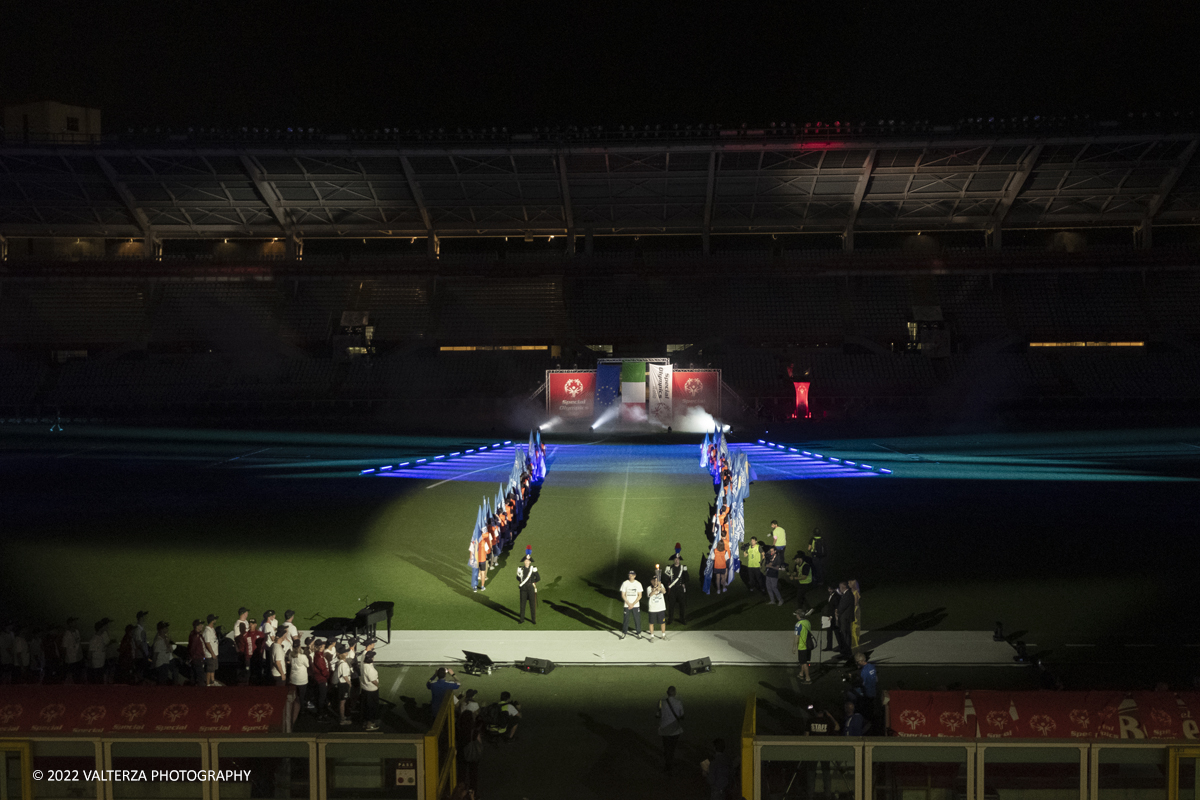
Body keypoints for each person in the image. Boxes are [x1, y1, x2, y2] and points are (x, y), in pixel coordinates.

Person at [657, 686, 684, 773]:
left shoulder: (661, 702)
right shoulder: (678, 702)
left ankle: (668, 765)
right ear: (675, 693)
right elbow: (682, 716)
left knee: (666, 748)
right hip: (675, 730)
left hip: (665, 730)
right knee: (672, 748)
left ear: (667, 693)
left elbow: (657, 715)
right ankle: (670, 764)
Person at [288, 639, 310, 727]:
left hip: (293, 678)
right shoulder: (303, 656)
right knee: (301, 696)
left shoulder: (290, 654)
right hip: (302, 679)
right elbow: (308, 665)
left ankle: (293, 711)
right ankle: (301, 711)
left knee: (294, 696)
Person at [618, 570, 644, 640]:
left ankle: (639, 633)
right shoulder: (625, 583)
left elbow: (640, 595)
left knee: (637, 619)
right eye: (629, 575)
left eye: (632, 575)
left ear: (634, 576)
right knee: (626, 619)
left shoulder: (638, 584)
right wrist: (628, 603)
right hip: (627, 605)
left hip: (635, 605)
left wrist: (633, 603)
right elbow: (623, 595)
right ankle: (624, 633)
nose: (630, 576)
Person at [663, 555, 689, 625]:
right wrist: (666, 574)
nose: (677, 560)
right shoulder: (670, 568)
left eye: (678, 559)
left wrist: (685, 572)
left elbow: (687, 579)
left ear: (679, 560)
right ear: (673, 560)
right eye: (675, 559)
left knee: (682, 605)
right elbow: (665, 579)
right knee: (671, 605)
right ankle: (670, 619)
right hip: (672, 589)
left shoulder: (682, 568)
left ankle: (682, 619)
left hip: (680, 589)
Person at [515, 554, 539, 624]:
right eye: (525, 561)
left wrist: (532, 582)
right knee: (522, 605)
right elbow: (517, 577)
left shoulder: (533, 568)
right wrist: (521, 581)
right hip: (523, 589)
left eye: (528, 561)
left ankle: (533, 620)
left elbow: (538, 578)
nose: (526, 562)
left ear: (530, 562)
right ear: (524, 562)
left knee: (532, 604)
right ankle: (521, 619)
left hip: (530, 588)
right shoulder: (520, 568)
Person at [854, 652, 878, 722]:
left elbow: (863, 683)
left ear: (861, 661)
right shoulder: (871, 666)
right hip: (873, 691)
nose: (856, 663)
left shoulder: (863, 671)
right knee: (871, 707)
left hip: (867, 694)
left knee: (865, 709)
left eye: (857, 662)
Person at [360, 651, 380, 730]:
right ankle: (370, 724)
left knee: (365, 706)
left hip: (365, 689)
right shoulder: (369, 669)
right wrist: (377, 685)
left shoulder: (364, 665)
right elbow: (373, 680)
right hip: (371, 690)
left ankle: (365, 722)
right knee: (371, 707)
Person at [311, 639, 331, 718]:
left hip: (321, 678)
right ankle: (320, 714)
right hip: (321, 679)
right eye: (322, 645)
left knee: (321, 696)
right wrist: (327, 675)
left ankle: (321, 712)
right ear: (320, 646)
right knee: (322, 697)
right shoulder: (319, 657)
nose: (324, 646)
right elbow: (323, 670)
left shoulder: (319, 655)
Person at [87, 618, 112, 684]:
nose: (105, 627)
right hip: (97, 665)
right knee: (98, 682)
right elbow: (90, 654)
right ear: (100, 628)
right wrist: (90, 665)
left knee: (100, 680)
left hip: (100, 664)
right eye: (103, 626)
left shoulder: (100, 637)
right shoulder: (94, 639)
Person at [333, 646, 353, 725]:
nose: (347, 653)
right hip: (343, 684)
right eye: (345, 652)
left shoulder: (339, 662)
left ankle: (342, 717)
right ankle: (342, 719)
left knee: (342, 701)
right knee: (342, 702)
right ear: (343, 654)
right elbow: (345, 676)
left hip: (341, 684)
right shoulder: (343, 664)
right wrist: (350, 683)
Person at [835, 582, 854, 659]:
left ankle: (847, 653)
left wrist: (837, 612)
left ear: (844, 586)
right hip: (845, 618)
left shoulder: (848, 595)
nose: (839, 589)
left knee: (845, 635)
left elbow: (843, 606)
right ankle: (845, 652)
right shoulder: (847, 594)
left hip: (845, 618)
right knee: (845, 635)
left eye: (840, 587)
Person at [61, 617, 84, 684]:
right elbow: (64, 648)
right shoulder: (67, 634)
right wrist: (63, 660)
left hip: (79, 657)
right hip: (71, 659)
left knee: (78, 675)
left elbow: (78, 643)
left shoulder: (77, 631)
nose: (76, 623)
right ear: (70, 624)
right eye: (74, 622)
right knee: (74, 676)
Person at [794, 609, 813, 684]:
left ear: (798, 615)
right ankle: (801, 674)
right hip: (808, 645)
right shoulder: (807, 622)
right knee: (803, 661)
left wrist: (794, 647)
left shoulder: (798, 624)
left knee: (804, 662)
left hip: (802, 646)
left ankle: (808, 678)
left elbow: (796, 637)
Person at [203, 614, 222, 686]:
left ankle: (212, 682)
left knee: (212, 669)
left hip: (214, 653)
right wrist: (212, 653)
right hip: (210, 655)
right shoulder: (207, 631)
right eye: (214, 619)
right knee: (209, 670)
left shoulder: (212, 629)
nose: (215, 620)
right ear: (212, 621)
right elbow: (207, 643)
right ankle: (208, 684)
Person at [133, 611, 150, 682]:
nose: (144, 618)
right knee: (140, 673)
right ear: (140, 618)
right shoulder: (138, 630)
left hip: (141, 655)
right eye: (143, 617)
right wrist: (144, 653)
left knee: (141, 672)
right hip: (140, 655)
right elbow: (138, 643)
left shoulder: (139, 629)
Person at [187, 619, 206, 686]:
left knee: (194, 677)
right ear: (197, 626)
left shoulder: (196, 634)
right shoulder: (196, 636)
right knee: (200, 677)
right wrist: (193, 657)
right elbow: (192, 648)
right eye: (201, 625)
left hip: (196, 658)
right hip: (197, 658)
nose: (202, 626)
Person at [849, 578, 862, 649]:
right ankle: (852, 642)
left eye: (849, 583)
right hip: (852, 609)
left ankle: (855, 643)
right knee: (851, 626)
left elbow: (855, 603)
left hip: (855, 610)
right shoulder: (851, 592)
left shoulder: (855, 592)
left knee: (855, 626)